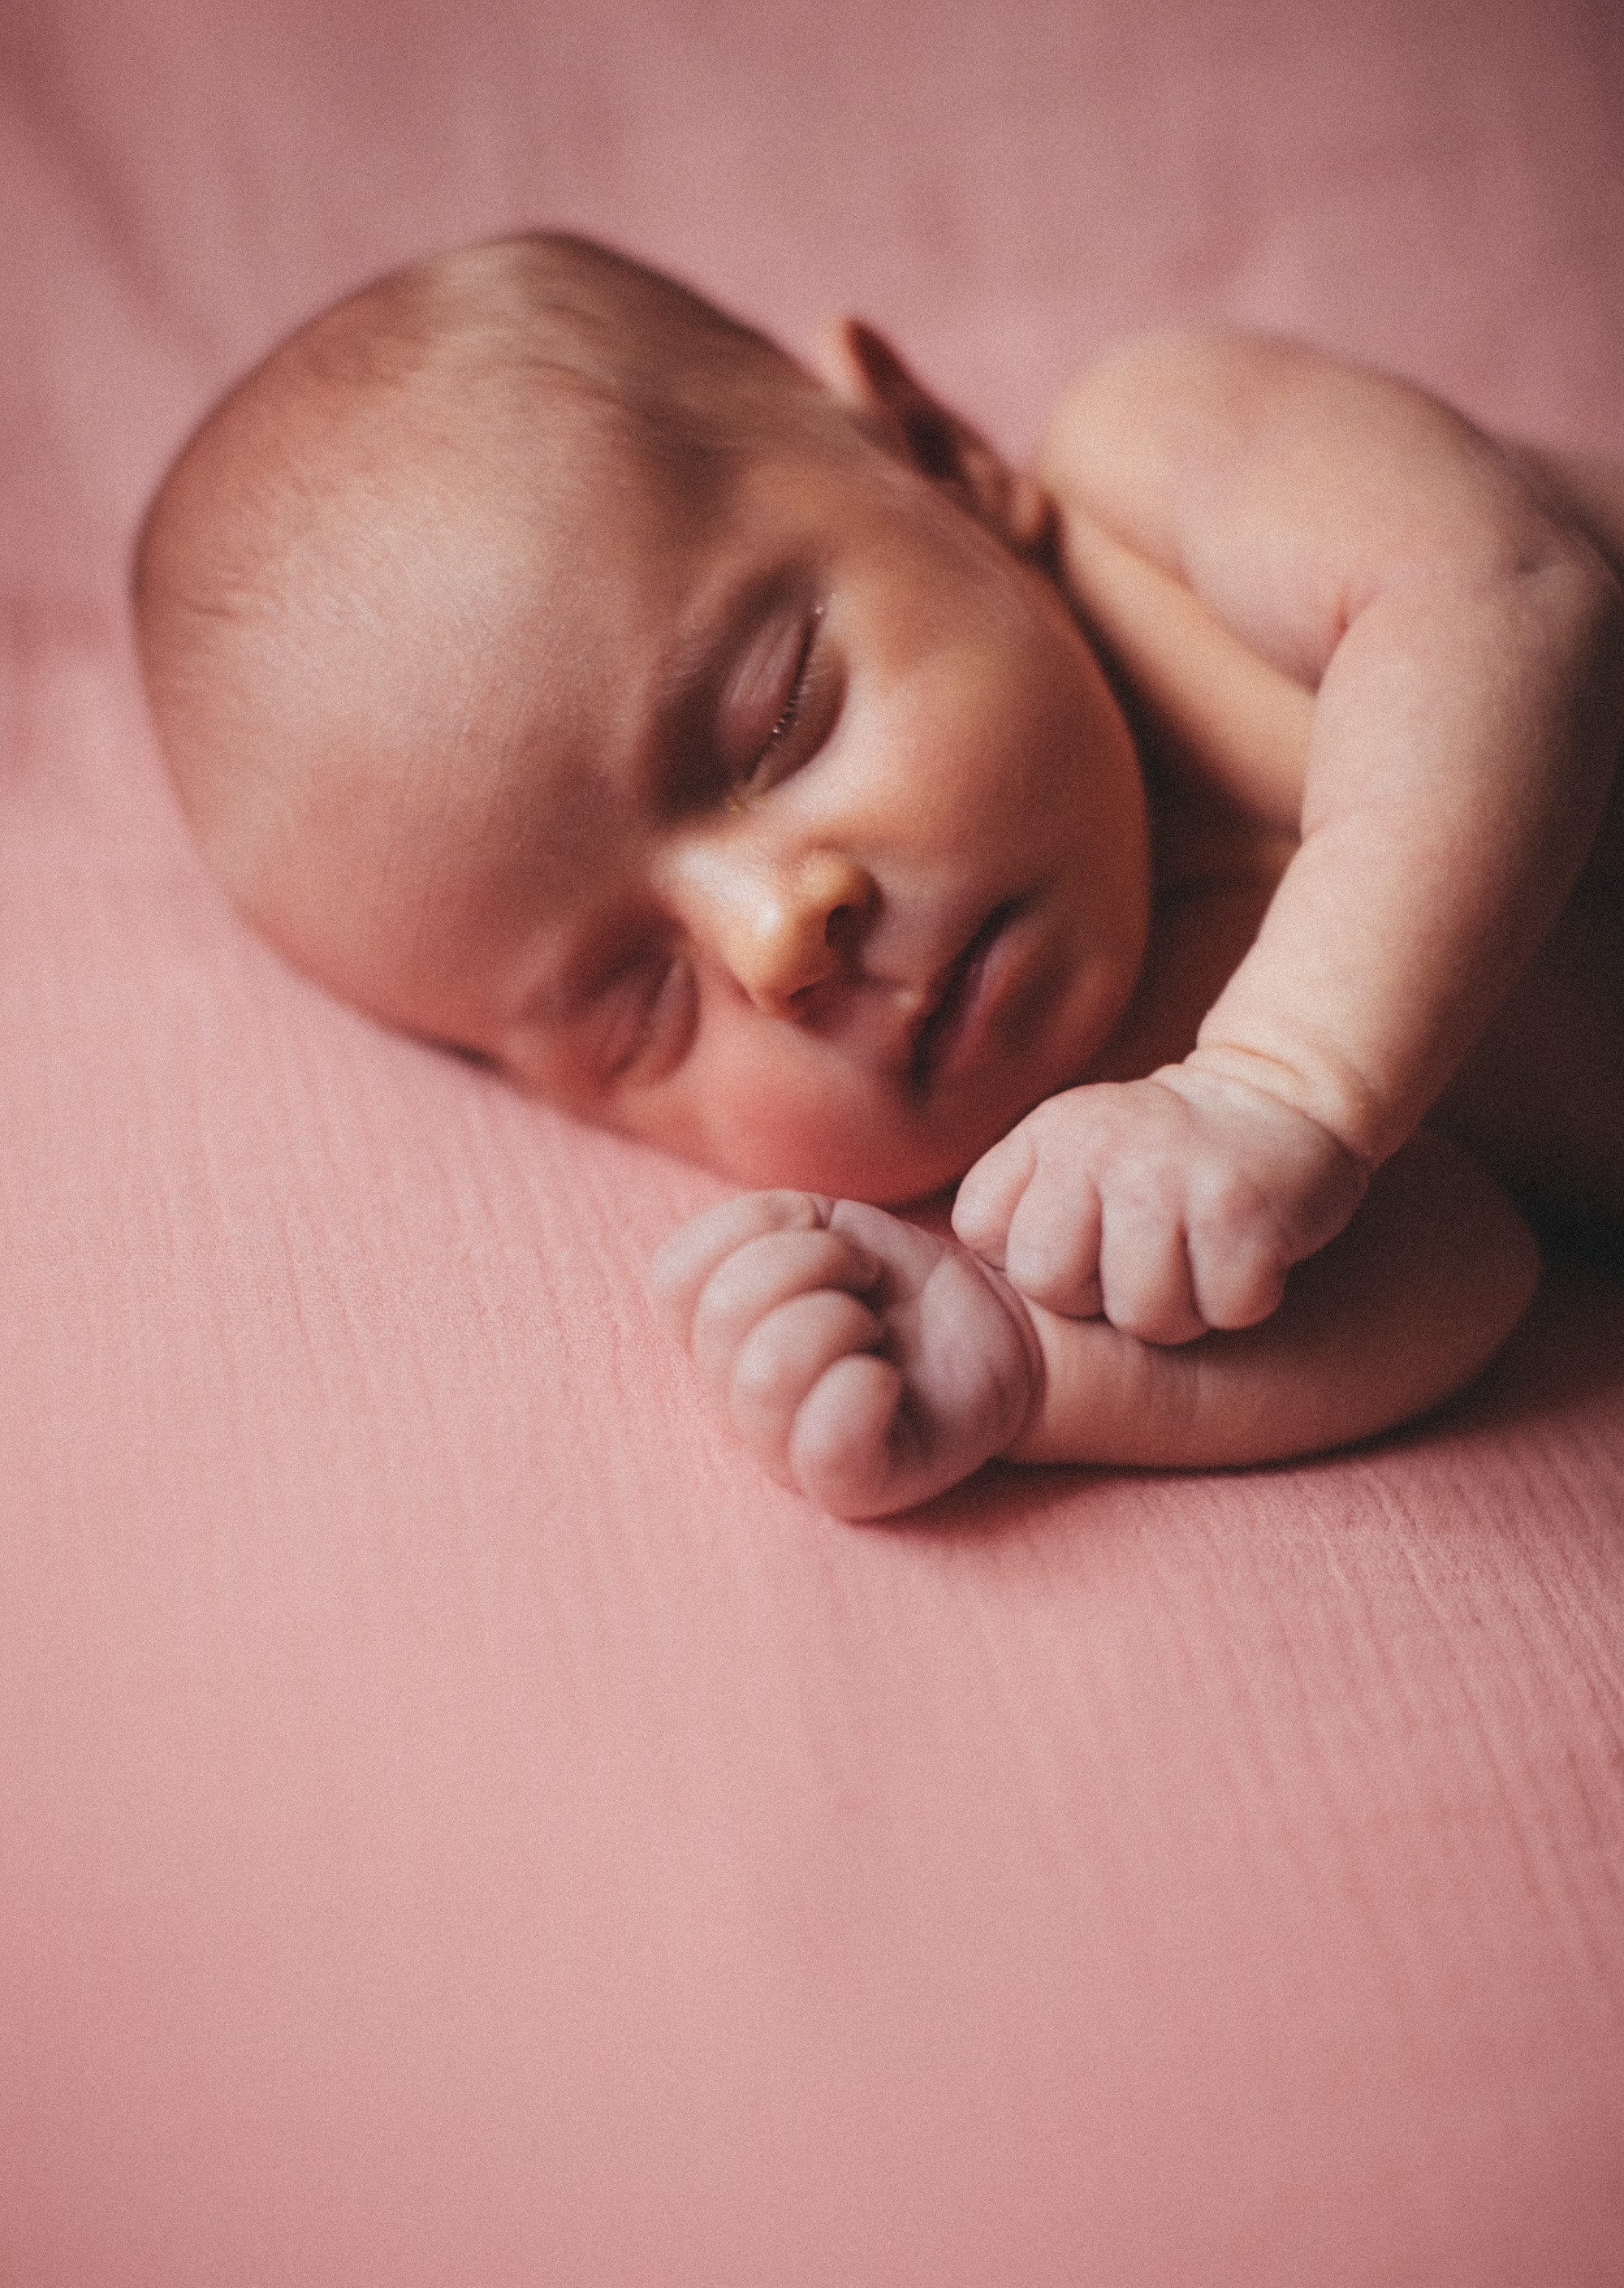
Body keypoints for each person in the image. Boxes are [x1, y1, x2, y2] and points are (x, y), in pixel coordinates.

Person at [133, 234, 1624, 1517]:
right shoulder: (1107, 1115)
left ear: (933, 455)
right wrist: (1031, 1359)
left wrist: (1288, 1080)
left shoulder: (1158, 463)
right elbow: (1467, 1262)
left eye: (777, 721)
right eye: (642, 1007)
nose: (777, 941)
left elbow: (1509, 595)